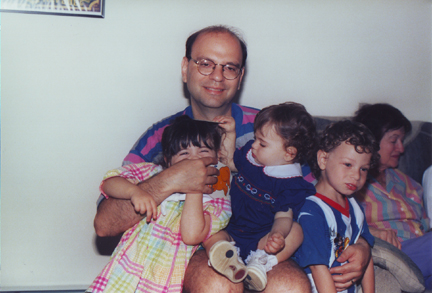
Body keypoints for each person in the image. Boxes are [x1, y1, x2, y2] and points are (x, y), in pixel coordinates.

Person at [93, 25, 371, 293]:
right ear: (185, 69)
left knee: (290, 286)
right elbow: (105, 224)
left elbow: (322, 195)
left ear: (240, 76)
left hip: (265, 243)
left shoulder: (269, 130)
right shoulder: (163, 136)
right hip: (194, 246)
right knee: (219, 284)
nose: (217, 76)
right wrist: (170, 179)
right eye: (205, 63)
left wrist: (364, 247)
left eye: (229, 67)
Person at [87, 116, 232, 292]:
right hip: (127, 270)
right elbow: (109, 182)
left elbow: (191, 235)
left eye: (203, 152)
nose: (195, 160)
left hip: (165, 279)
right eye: (184, 153)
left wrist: (194, 187)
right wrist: (135, 192)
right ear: (168, 161)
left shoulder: (216, 195)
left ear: (217, 156)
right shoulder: (153, 172)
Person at [204, 102, 316, 291]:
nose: (254, 145)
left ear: (289, 154)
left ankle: (261, 264)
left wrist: (277, 235)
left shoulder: (290, 184)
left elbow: (283, 216)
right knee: (210, 232)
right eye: (256, 138)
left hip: (261, 239)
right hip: (231, 227)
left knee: (296, 231)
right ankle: (225, 258)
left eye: (262, 143)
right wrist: (230, 134)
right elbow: (230, 162)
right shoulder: (252, 155)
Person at [353, 103, 431, 289]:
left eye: (402, 141)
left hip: (423, 257)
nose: (401, 148)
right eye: (394, 140)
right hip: (390, 255)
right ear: (371, 141)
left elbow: (427, 227)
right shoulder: (352, 183)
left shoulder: (409, 183)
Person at [295, 120, 378, 293]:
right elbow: (318, 268)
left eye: (363, 169)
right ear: (323, 159)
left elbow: (366, 256)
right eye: (348, 164)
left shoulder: (355, 207)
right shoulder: (311, 210)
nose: (356, 175)